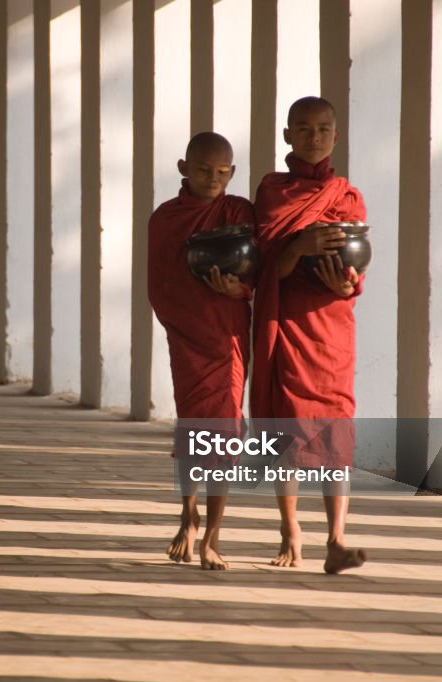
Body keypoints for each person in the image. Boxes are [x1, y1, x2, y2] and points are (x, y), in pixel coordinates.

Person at [251, 96, 368, 574]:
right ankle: (290, 530)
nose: (313, 137)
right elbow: (263, 271)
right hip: (290, 322)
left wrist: (347, 284)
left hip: (332, 325)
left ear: (335, 137)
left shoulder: (347, 195)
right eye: (303, 128)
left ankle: (337, 538)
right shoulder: (273, 192)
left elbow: (357, 268)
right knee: (288, 429)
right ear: (287, 136)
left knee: (336, 429)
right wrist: (298, 247)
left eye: (323, 129)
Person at [148, 132, 254, 571]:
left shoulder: (238, 212)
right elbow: (159, 282)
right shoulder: (166, 218)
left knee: (224, 434)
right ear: (183, 168)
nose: (213, 179)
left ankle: (212, 534)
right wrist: (179, 322)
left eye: (223, 172)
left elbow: (260, 268)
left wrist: (240, 288)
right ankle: (187, 514)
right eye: (203, 170)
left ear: (232, 172)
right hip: (188, 337)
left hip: (228, 334)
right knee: (195, 429)